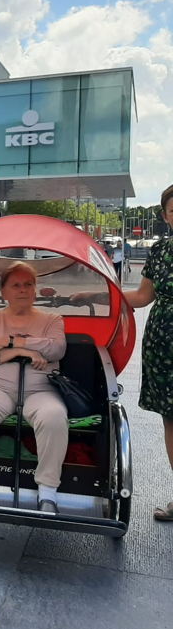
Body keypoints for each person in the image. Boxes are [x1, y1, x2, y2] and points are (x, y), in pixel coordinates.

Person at [0, 261, 68, 514]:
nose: (22, 290)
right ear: (4, 292)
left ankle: (48, 491)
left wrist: (9, 340)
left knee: (53, 417)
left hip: (40, 388)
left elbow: (57, 349)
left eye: (28, 284)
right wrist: (20, 352)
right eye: (16, 285)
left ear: (35, 290)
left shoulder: (53, 319)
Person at [121, 184, 173, 521]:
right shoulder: (160, 250)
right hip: (163, 346)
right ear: (166, 216)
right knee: (171, 420)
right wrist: (98, 293)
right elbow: (142, 297)